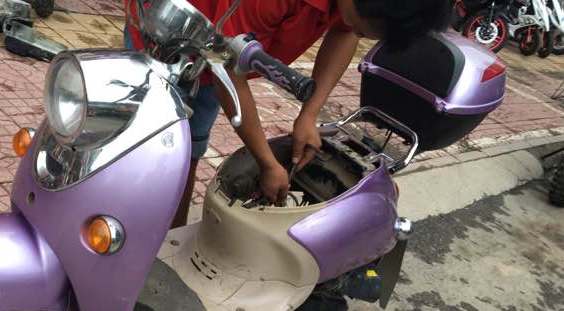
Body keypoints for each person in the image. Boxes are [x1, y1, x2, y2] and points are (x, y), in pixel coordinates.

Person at [126, 0, 454, 226]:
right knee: (146, 151)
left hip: (218, 58)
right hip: (168, 41)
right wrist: (268, 163)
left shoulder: (353, 7)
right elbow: (228, 73)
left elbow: (345, 32)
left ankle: (169, 241)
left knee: (189, 150)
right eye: (368, 30)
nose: (362, 35)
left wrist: (309, 115)